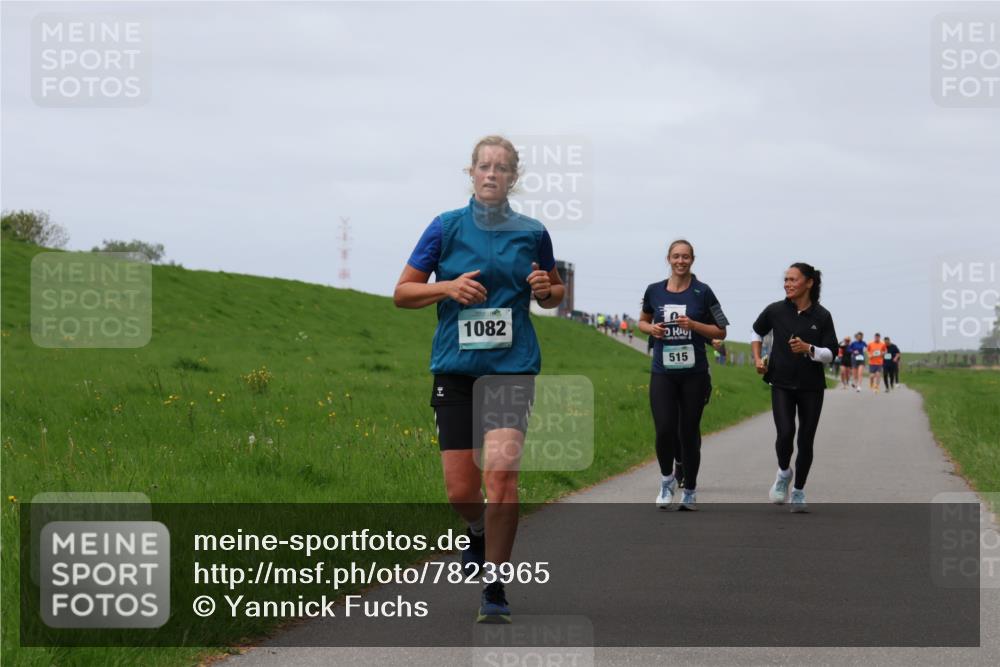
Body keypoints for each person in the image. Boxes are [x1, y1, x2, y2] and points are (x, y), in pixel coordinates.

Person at [394, 135, 564, 623]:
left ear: (514, 177)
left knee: (502, 478)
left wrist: (545, 289)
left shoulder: (532, 231)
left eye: (502, 168)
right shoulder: (444, 227)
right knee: (461, 491)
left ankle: (494, 587)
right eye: (484, 166)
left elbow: (554, 291)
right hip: (457, 368)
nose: (492, 174)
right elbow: (402, 292)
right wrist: (447, 286)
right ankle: (475, 530)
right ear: (471, 173)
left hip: (511, 368)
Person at [637, 240, 729, 511]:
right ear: (668, 258)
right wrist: (650, 329)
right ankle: (667, 481)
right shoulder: (654, 291)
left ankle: (689, 489)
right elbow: (641, 320)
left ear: (692, 260)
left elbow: (721, 331)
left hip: (694, 374)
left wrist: (694, 325)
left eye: (686, 257)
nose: (681, 261)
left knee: (688, 432)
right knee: (665, 429)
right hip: (663, 372)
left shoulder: (703, 292)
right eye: (676, 256)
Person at [751, 262, 838, 513]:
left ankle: (798, 491)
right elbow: (756, 333)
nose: (787, 284)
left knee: (806, 439)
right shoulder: (775, 310)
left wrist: (809, 349)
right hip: (780, 382)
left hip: (811, 386)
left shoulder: (822, 316)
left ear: (809, 283)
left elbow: (831, 353)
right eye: (786, 280)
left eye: (793, 279)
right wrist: (758, 358)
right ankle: (783, 473)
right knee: (785, 433)